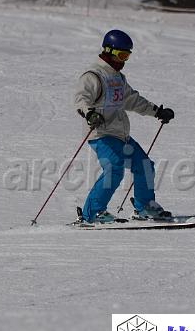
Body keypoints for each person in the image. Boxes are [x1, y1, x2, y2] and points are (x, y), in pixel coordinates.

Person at [73, 30, 175, 224]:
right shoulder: (93, 76)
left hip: (120, 134)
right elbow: (81, 99)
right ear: (108, 51)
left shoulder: (118, 78)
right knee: (114, 168)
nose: (124, 61)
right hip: (101, 133)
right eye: (121, 55)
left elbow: (132, 100)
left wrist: (157, 111)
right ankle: (92, 214)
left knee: (144, 166)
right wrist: (90, 114)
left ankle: (145, 207)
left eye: (127, 56)